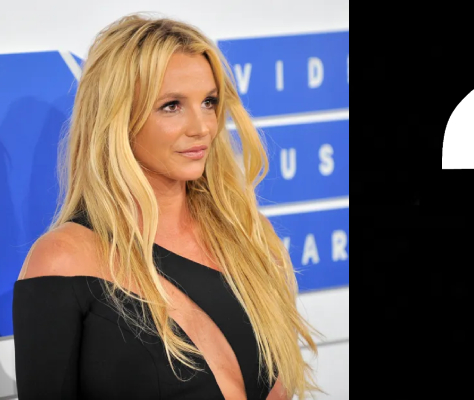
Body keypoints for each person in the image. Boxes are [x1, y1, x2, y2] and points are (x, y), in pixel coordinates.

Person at [12, 12, 323, 400]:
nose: (202, 127)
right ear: (117, 116)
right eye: (172, 105)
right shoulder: (63, 260)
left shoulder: (250, 236)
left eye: (209, 102)